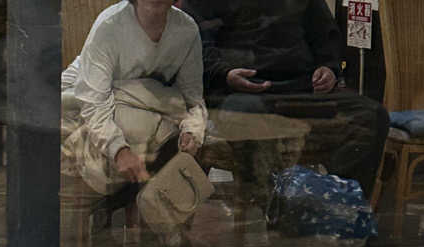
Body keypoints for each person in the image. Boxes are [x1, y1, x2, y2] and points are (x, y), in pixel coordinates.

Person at [180, 0, 388, 197]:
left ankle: (337, 205)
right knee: (244, 114)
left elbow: (326, 35)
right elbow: (196, 45)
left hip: (302, 92)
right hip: (240, 93)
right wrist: (225, 74)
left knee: (369, 114)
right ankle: (272, 205)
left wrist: (329, 68)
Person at [61, 0, 208, 207]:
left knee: (144, 125)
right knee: (130, 125)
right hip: (87, 91)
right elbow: (93, 100)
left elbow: (192, 96)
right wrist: (119, 150)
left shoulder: (187, 29)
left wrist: (193, 130)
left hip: (143, 99)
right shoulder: (110, 25)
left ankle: (149, 213)